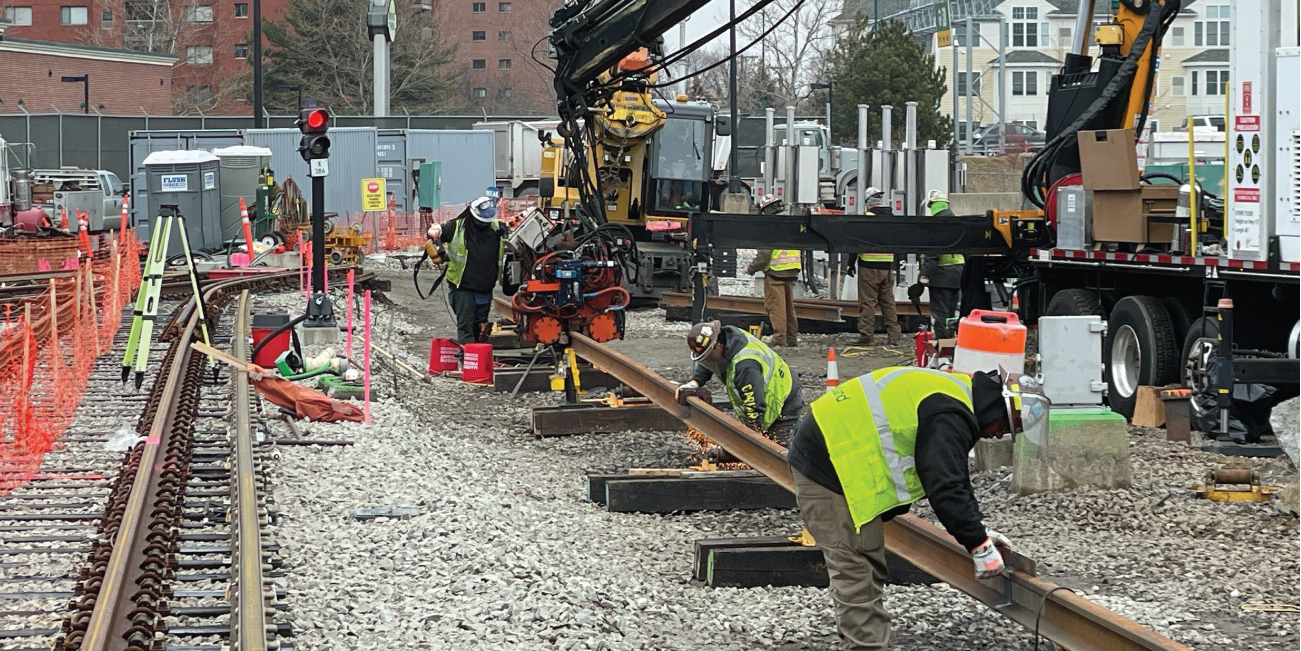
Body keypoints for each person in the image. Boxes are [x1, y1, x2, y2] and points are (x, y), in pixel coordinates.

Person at [786, 367, 1048, 649]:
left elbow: (956, 477)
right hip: (828, 465)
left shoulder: (957, 396)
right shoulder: (949, 413)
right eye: (1005, 426)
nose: (999, 435)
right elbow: (945, 486)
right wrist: (977, 544)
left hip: (836, 452)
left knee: (866, 562)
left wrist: (979, 531)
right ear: (997, 408)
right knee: (857, 570)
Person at [676, 320, 804, 443]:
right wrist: (695, 382)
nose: (707, 361)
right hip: (775, 388)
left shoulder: (745, 366)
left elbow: (754, 411)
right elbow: (708, 364)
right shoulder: (729, 339)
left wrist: (746, 442)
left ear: (717, 345)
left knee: (779, 450)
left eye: (707, 356)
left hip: (785, 400)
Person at [428, 196, 506, 344]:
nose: (484, 224)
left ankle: (477, 361)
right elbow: (435, 232)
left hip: (485, 288)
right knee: (466, 329)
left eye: (486, 221)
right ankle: (468, 362)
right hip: (463, 289)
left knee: (481, 329)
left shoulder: (497, 228)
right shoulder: (457, 228)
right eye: (481, 221)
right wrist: (436, 239)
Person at [919, 190, 963, 338]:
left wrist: (924, 275)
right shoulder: (958, 223)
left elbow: (933, 254)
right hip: (958, 274)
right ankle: (951, 343)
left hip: (941, 276)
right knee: (951, 313)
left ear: (933, 206)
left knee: (940, 313)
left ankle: (943, 345)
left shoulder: (936, 225)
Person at [746, 249, 801, 347]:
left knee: (776, 307)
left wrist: (751, 269)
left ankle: (779, 338)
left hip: (776, 272)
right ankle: (791, 338)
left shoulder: (771, 233)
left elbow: (764, 254)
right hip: (792, 268)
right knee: (789, 307)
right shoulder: (788, 232)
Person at [848, 251, 900, 347]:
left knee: (868, 302)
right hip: (887, 266)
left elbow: (855, 245)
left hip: (868, 266)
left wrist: (850, 264)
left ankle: (866, 335)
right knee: (888, 302)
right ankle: (894, 336)